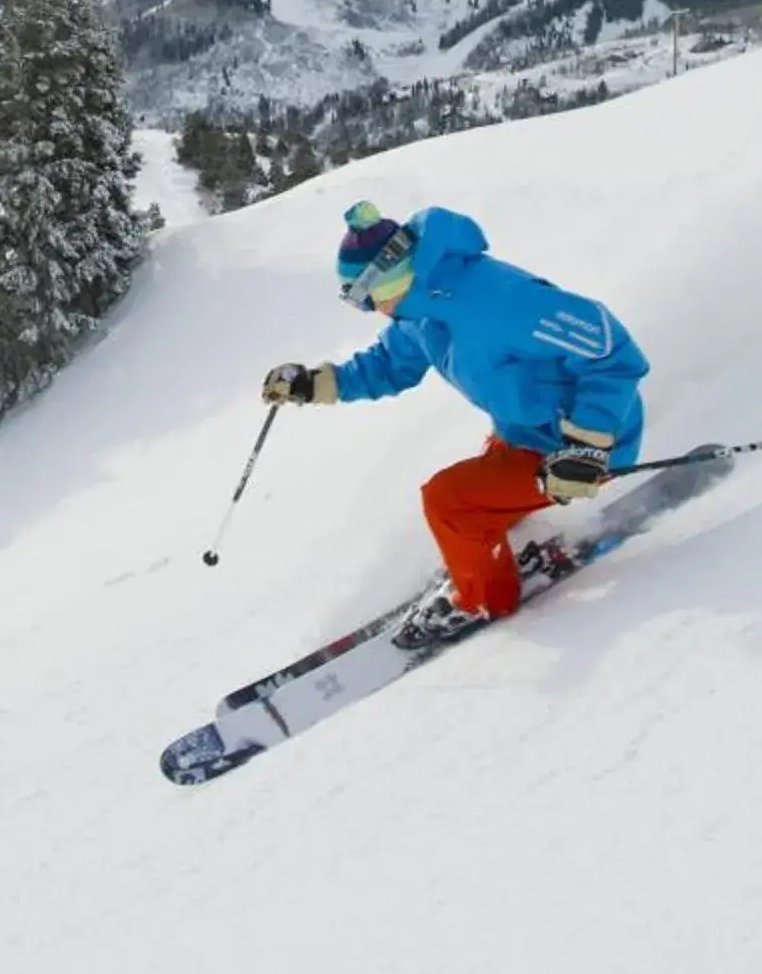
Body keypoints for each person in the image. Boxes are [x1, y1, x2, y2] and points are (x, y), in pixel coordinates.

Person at [263, 201, 649, 648]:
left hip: (583, 446)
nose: (368, 308)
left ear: (385, 279)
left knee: (449, 501)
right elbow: (388, 364)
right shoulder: (420, 308)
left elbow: (612, 351)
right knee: (473, 502)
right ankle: (494, 555)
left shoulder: (496, 300)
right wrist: (314, 385)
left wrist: (587, 447)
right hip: (524, 435)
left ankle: (484, 600)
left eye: (362, 297)